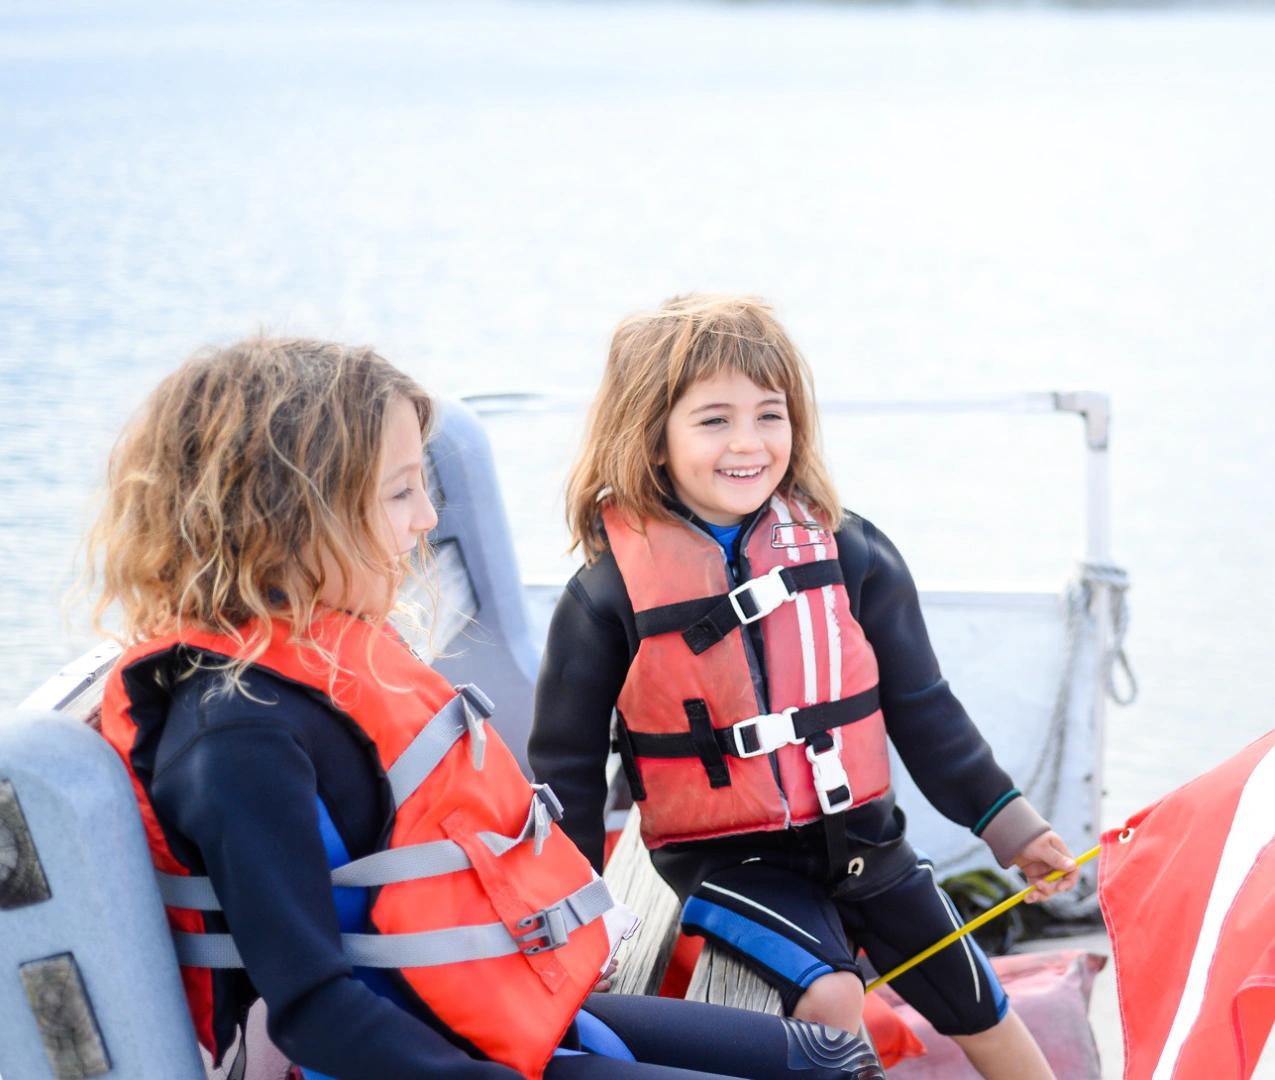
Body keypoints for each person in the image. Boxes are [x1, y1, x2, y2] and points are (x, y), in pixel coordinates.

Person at [88, 336, 885, 1080]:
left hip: (515, 1016)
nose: (427, 520)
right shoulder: (236, 736)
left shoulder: (327, 660)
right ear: (290, 517)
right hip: (442, 1055)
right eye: (401, 492)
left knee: (835, 1058)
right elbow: (313, 1011)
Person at [529, 295, 1080, 1080]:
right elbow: (566, 773)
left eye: (769, 415)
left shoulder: (853, 552)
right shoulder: (605, 597)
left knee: (977, 1002)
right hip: (728, 863)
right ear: (651, 438)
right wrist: (576, 917)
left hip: (867, 843)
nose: (748, 443)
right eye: (713, 420)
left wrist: (1013, 829)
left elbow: (925, 711)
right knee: (830, 1001)